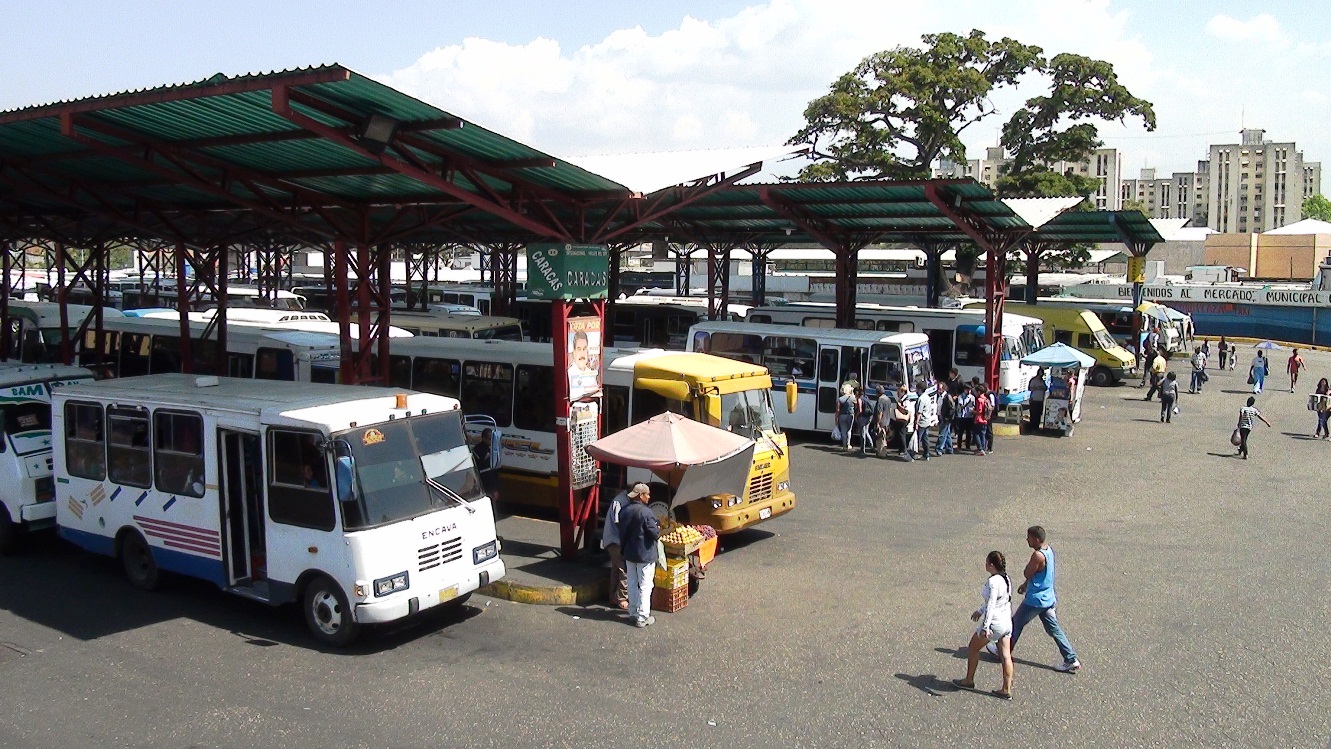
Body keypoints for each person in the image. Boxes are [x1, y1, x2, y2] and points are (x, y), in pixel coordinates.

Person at [1005, 525, 1081, 673]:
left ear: (1037, 539)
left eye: (1029, 538)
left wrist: (1026, 579)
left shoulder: (1037, 555)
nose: (1027, 540)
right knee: (1054, 628)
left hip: (1035, 600)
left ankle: (1003, 652)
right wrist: (1026, 585)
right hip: (1047, 598)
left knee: (1015, 623)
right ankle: (1071, 658)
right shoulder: (1049, 551)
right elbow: (1039, 573)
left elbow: (1028, 572)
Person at [953, 551, 1014, 699]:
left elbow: (992, 603)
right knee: (1006, 655)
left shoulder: (993, 582)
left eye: (986, 562)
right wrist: (980, 610)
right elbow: (1002, 600)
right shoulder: (1006, 579)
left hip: (995, 624)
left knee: (973, 648)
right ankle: (1006, 689)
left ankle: (969, 680)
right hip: (1006, 623)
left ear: (991, 565)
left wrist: (985, 627)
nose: (985, 564)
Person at [617, 482, 661, 627]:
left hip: (629, 553)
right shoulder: (646, 512)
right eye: (647, 494)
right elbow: (654, 534)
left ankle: (633, 612)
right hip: (644, 554)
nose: (649, 497)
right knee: (645, 585)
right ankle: (642, 617)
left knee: (631, 583)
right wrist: (658, 528)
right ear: (641, 496)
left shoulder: (624, 510)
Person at [601, 483, 642, 611]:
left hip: (614, 539)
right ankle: (621, 598)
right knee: (625, 569)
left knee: (616, 568)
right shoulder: (620, 501)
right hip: (615, 540)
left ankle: (613, 596)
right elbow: (619, 523)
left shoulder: (623, 500)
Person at [913, 380, 935, 462]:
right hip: (927, 421)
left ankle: (914, 453)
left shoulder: (921, 399)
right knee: (925, 439)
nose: (916, 391)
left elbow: (919, 412)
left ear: (920, 389)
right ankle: (926, 454)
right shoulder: (927, 397)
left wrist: (916, 423)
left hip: (922, 422)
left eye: (917, 389)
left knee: (917, 439)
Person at [892, 384, 916, 461]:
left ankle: (904, 450)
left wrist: (899, 406)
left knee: (902, 434)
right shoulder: (902, 399)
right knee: (900, 433)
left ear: (902, 392)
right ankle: (901, 449)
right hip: (901, 419)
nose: (897, 394)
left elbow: (906, 411)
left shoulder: (906, 400)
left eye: (899, 392)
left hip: (903, 420)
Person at [934, 384, 956, 456]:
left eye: (940, 388)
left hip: (946, 418)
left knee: (942, 434)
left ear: (944, 389)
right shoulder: (940, 396)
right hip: (941, 417)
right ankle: (949, 448)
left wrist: (947, 418)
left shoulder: (947, 397)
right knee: (947, 433)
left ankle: (939, 449)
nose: (938, 390)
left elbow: (952, 408)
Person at [955, 384, 976, 452]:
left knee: (969, 432)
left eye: (970, 390)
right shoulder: (961, 396)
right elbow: (961, 406)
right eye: (968, 390)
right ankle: (959, 446)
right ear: (965, 390)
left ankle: (967, 446)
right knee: (960, 432)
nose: (969, 391)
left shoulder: (972, 397)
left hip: (969, 416)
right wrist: (968, 403)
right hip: (962, 416)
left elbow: (974, 405)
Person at [872, 384, 892, 456]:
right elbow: (890, 410)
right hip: (887, 421)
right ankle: (884, 452)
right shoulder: (888, 399)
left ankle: (881, 453)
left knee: (880, 439)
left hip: (882, 421)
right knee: (884, 437)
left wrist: (877, 422)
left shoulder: (880, 399)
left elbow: (879, 412)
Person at [972, 384, 991, 455]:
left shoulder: (979, 400)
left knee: (976, 433)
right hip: (985, 419)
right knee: (983, 434)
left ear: (979, 392)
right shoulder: (986, 399)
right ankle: (983, 448)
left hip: (979, 419)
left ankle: (980, 449)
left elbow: (979, 411)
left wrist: (973, 411)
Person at [1028, 367, 1047, 432]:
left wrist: (1042, 388)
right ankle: (1032, 427)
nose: (1041, 375)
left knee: (1039, 414)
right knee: (1034, 414)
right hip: (1034, 399)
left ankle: (1036, 427)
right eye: (1041, 373)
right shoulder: (1033, 380)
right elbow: (1030, 388)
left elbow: (1045, 388)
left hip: (1040, 400)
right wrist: (1037, 388)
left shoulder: (1042, 381)